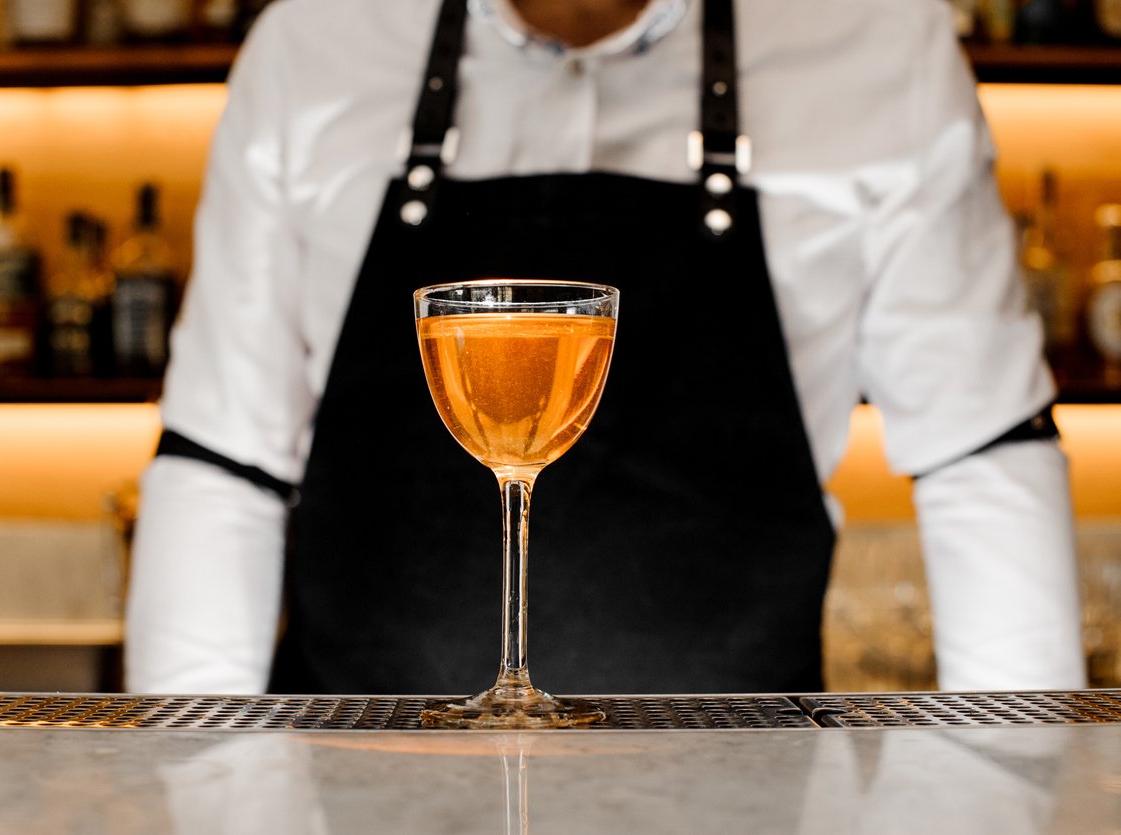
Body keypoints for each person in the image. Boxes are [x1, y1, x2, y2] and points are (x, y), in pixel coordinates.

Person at [124, 0, 1087, 696]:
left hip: (744, 795)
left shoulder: (878, 44)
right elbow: (223, 462)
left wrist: (1012, 787)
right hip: (353, 789)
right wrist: (201, 784)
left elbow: (982, 454)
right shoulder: (312, 43)